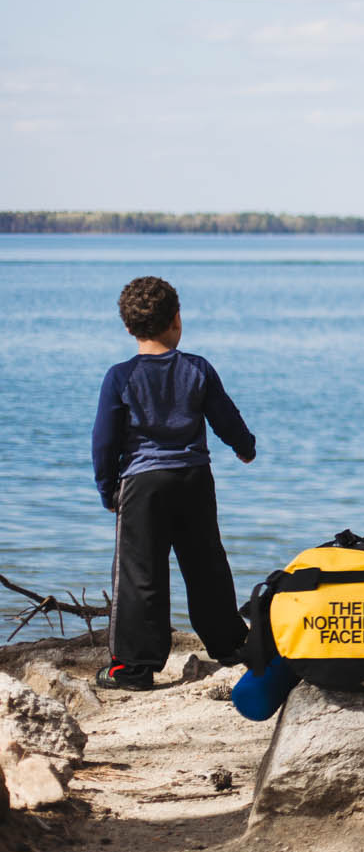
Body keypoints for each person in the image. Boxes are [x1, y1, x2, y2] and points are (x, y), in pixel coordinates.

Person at [90, 277, 256, 690]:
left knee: (139, 573)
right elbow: (226, 417)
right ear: (176, 320)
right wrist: (245, 447)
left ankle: (133, 668)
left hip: (143, 484)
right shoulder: (197, 368)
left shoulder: (120, 376)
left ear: (129, 328)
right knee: (206, 566)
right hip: (194, 479)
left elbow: (105, 439)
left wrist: (108, 487)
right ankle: (231, 646)